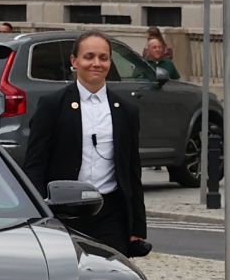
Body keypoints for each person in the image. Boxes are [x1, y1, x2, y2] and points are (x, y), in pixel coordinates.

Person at [21, 31, 149, 256]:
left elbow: (132, 170)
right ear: (74, 61)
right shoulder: (53, 106)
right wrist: (39, 213)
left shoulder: (126, 110)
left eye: (103, 57)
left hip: (110, 214)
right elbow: (35, 164)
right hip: (63, 212)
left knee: (112, 277)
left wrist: (137, 226)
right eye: (89, 57)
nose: (96, 64)